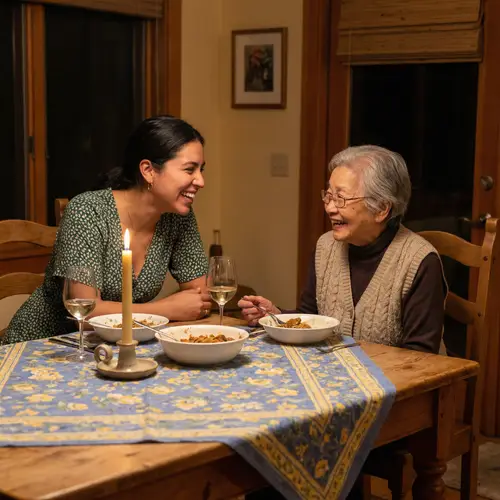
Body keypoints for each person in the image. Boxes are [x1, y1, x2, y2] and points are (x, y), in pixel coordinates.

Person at [3, 115, 212, 345]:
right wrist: (165, 309)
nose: (200, 181)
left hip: (119, 347)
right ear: (148, 170)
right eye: (189, 169)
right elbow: (85, 314)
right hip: (49, 346)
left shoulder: (178, 216)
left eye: (201, 170)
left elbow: (198, 298)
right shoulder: (86, 211)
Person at [239, 145, 447, 354]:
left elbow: (420, 357)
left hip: (397, 382)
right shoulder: (325, 247)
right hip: (336, 376)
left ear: (382, 208)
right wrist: (277, 315)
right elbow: (311, 317)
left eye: (341, 198)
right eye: (329, 196)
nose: (330, 208)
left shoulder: (420, 261)